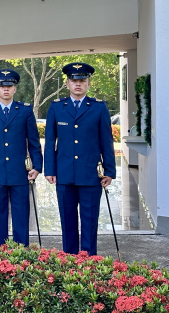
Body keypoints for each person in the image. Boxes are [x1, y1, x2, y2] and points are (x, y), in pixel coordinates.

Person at [44, 62, 116, 255]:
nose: (78, 84)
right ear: (67, 83)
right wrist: (49, 170)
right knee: (67, 221)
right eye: (74, 81)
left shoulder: (99, 108)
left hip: (91, 174)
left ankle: (88, 260)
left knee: (89, 220)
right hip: (64, 174)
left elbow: (106, 142)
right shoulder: (57, 107)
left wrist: (109, 171)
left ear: (88, 84)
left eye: (82, 81)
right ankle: (69, 259)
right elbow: (50, 141)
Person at [0, 69, 43, 246]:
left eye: (9, 86)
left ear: (15, 88)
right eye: (2, 86)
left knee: (21, 215)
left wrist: (37, 166)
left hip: (19, 173)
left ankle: (21, 253)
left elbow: (34, 143)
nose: (6, 89)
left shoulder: (25, 111)